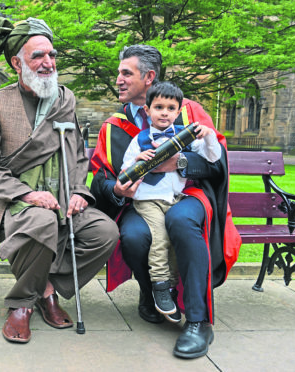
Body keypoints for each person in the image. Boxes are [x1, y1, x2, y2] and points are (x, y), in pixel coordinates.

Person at [90, 44, 241, 359]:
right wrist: (117, 191)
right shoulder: (113, 127)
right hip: (143, 201)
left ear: (149, 77)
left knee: (180, 221)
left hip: (188, 193)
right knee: (132, 236)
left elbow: (218, 162)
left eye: (125, 73)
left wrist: (180, 163)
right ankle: (153, 293)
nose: (117, 79)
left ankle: (199, 321)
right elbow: (99, 178)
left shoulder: (189, 112)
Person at [0, 15, 118, 344]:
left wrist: (80, 191)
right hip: (12, 202)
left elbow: (76, 155)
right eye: (37, 55)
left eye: (52, 55)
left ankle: (48, 287)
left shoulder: (65, 100)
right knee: (42, 222)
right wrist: (28, 195)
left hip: (61, 198)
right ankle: (22, 304)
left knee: (105, 232)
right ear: (16, 62)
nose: (48, 62)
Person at [121, 81, 222, 320]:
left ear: (178, 112)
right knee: (159, 239)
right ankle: (159, 285)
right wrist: (138, 160)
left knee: (177, 240)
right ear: (147, 110)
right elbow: (124, 172)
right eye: (158, 107)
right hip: (147, 201)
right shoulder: (139, 140)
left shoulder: (186, 137)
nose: (164, 112)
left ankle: (170, 287)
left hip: (174, 199)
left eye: (170, 108)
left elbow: (213, 157)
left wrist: (208, 137)